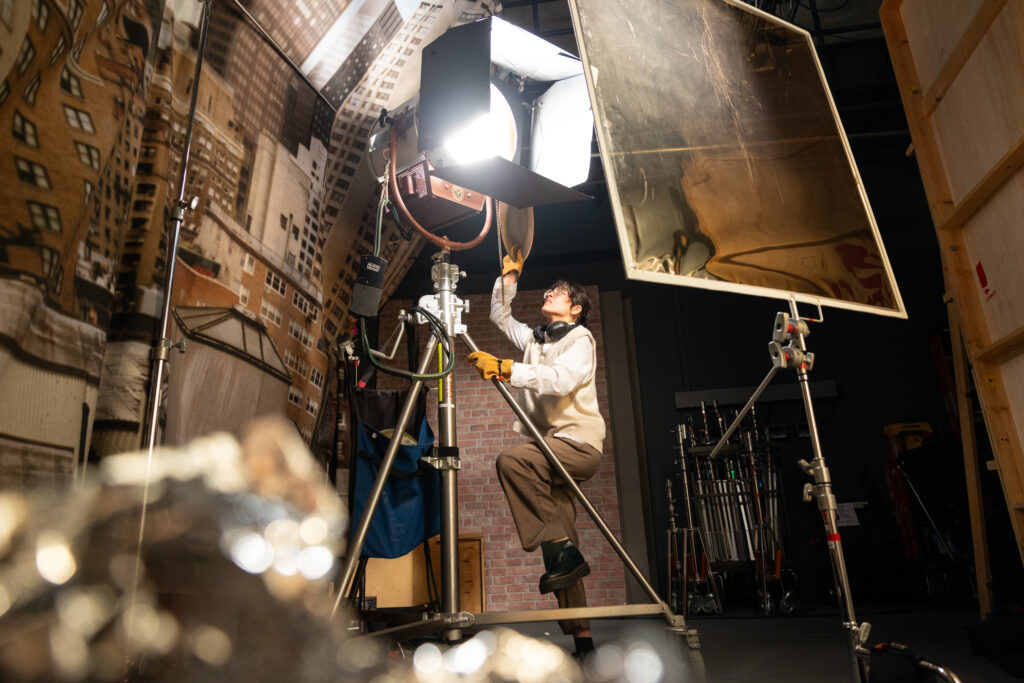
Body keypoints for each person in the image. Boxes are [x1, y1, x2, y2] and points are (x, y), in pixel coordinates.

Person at [467, 249, 605, 659]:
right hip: (549, 452)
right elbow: (500, 316)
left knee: (512, 460)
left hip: (578, 446)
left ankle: (561, 547)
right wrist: (508, 280)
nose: (549, 293)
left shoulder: (581, 340)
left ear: (575, 309)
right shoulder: (536, 340)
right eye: (549, 289)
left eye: (559, 293)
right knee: (561, 552)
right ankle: (583, 640)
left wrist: (507, 369)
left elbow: (560, 381)